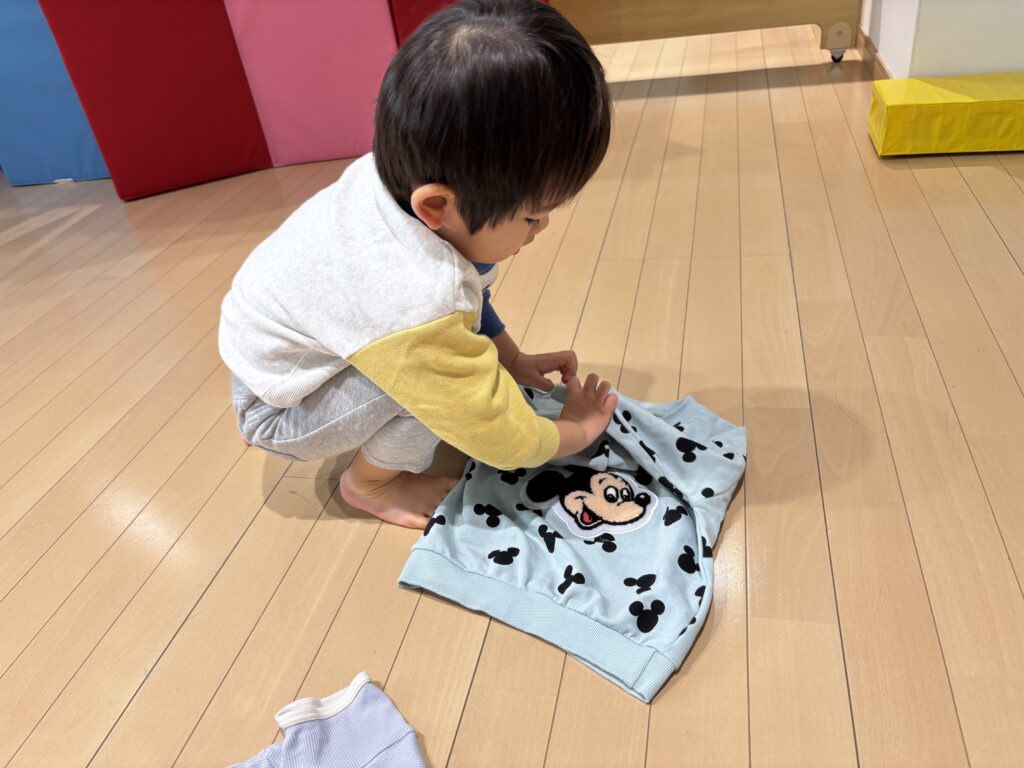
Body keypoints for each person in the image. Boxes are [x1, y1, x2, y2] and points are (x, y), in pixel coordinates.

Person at [219, 0, 616, 529]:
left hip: (279, 355)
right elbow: (499, 435)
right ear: (437, 206)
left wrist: (511, 357)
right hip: (277, 408)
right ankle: (370, 485)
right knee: (435, 392)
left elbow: (471, 295)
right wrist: (577, 431)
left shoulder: (400, 178)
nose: (540, 229)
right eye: (531, 216)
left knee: (435, 362)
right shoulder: (417, 298)